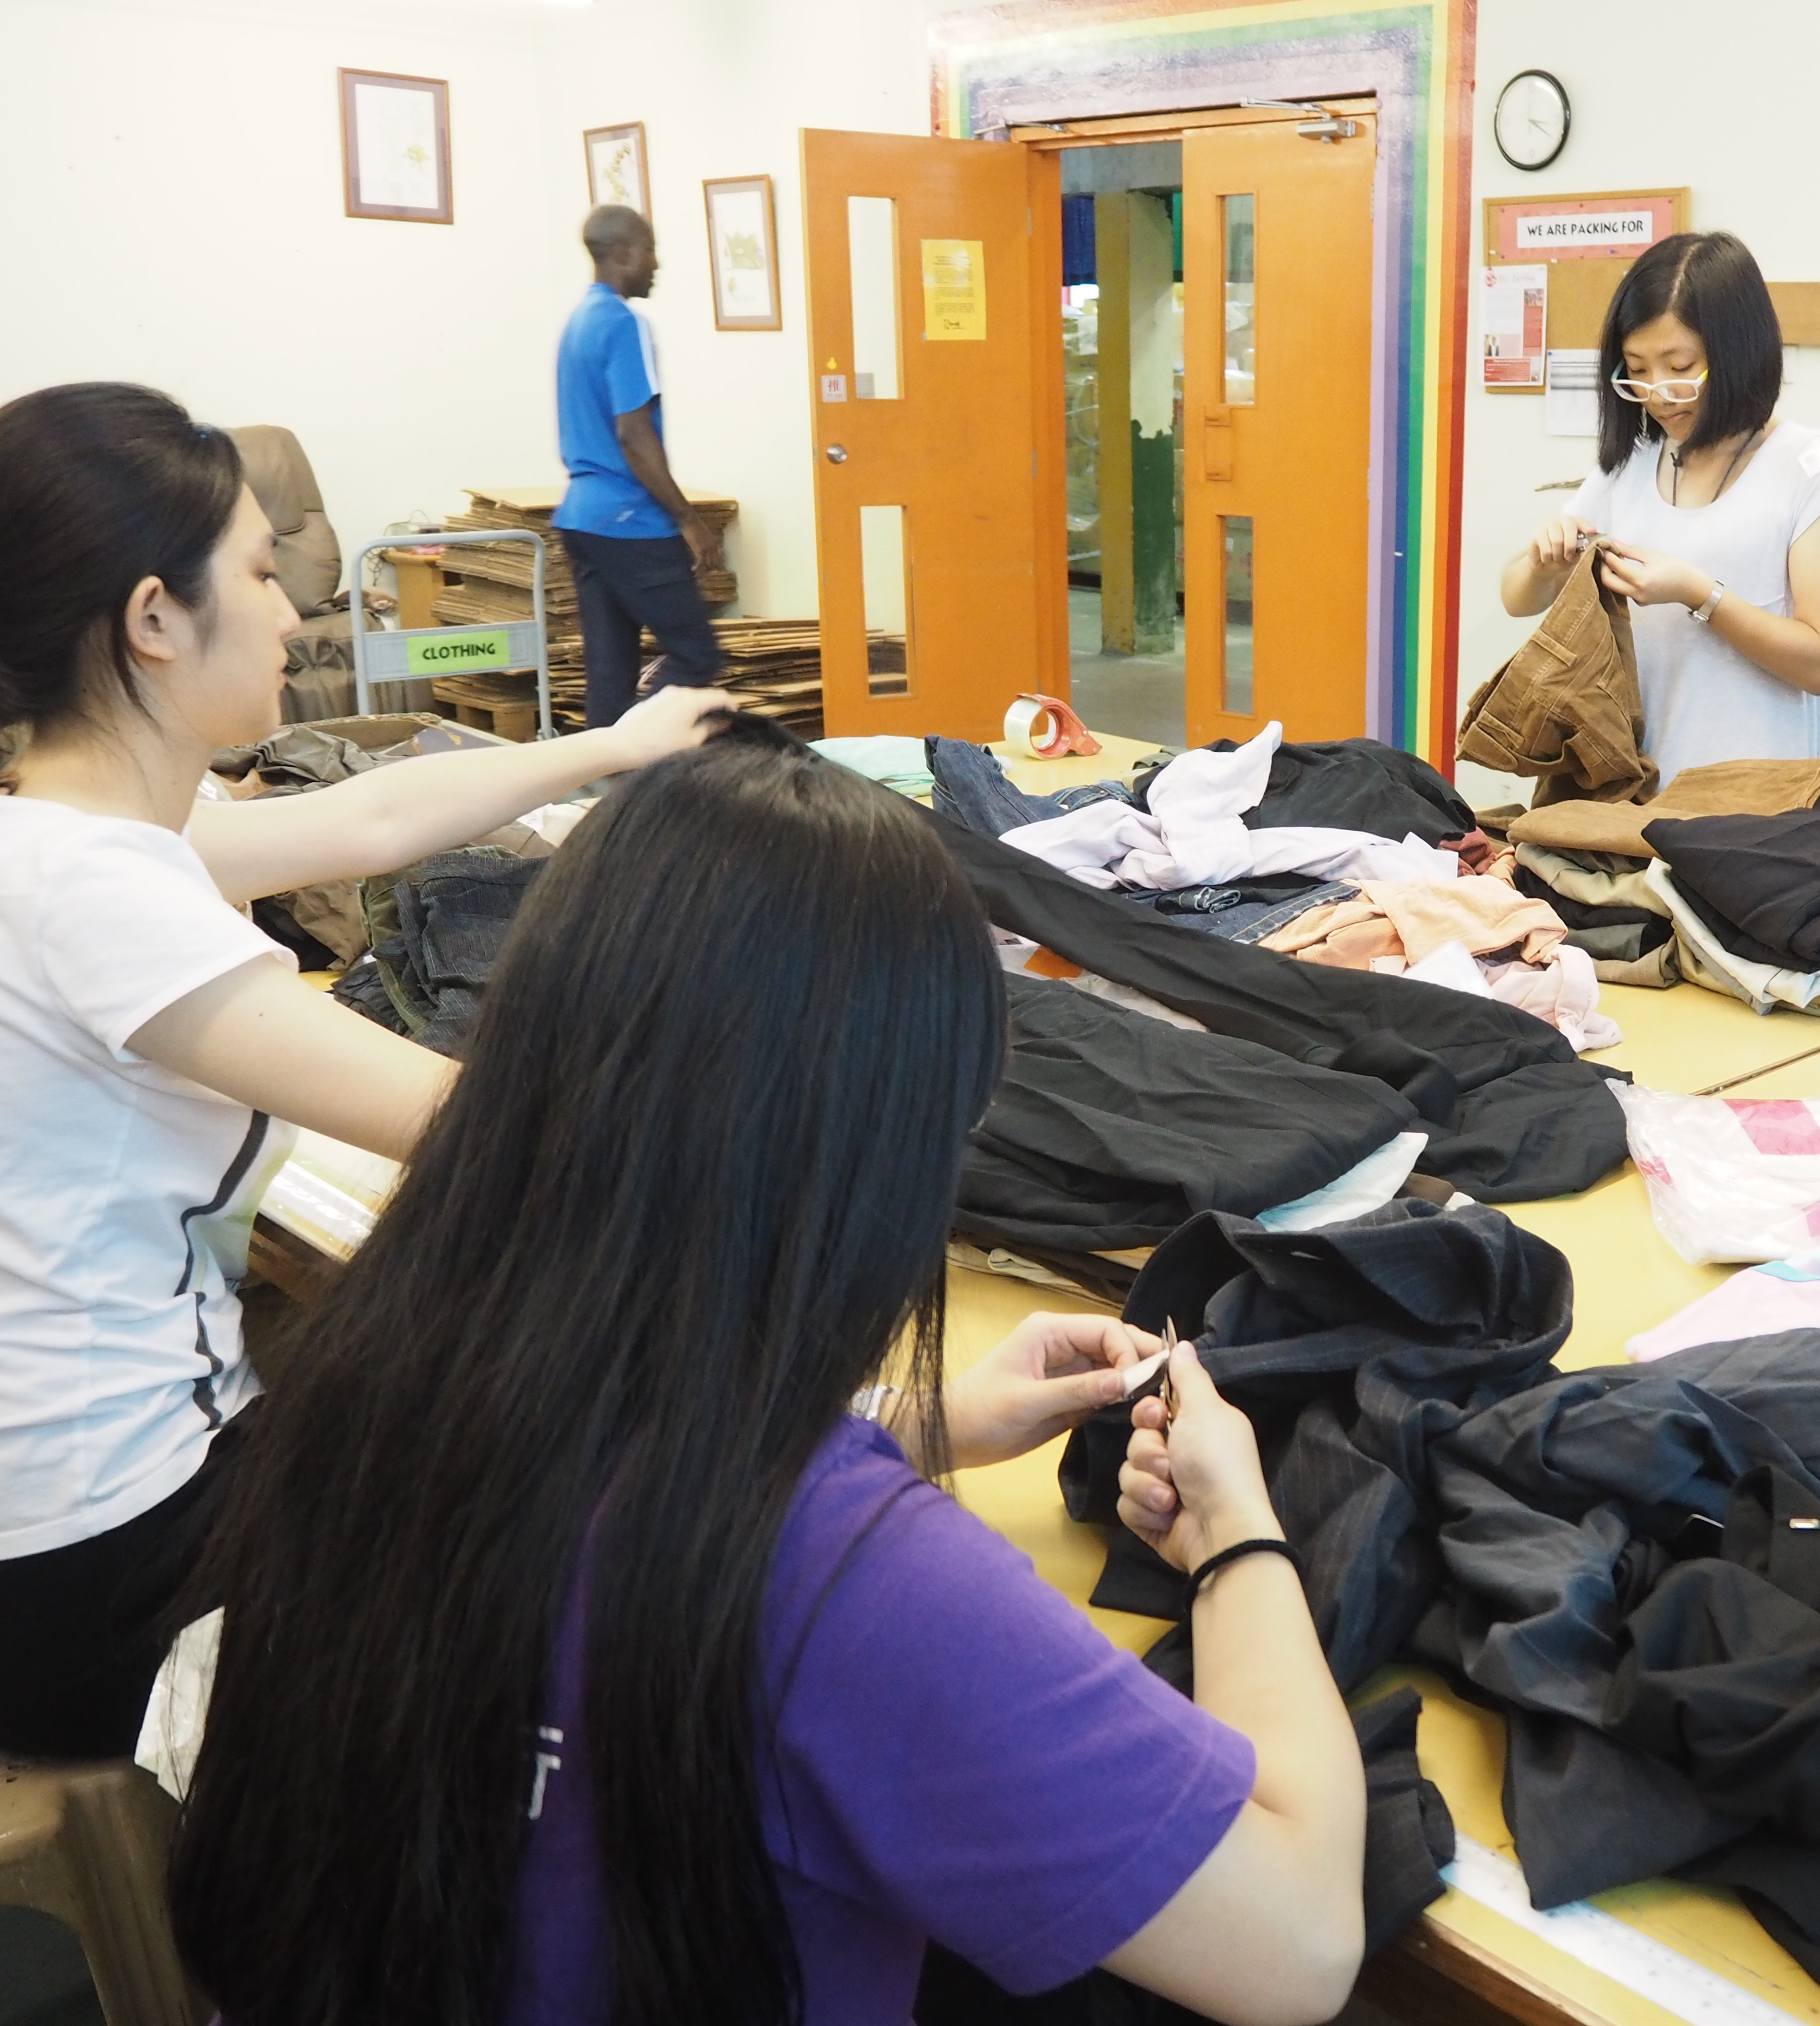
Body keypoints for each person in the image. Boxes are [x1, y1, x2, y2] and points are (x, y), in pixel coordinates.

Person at [166, 720, 1367, 2026]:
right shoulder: (854, 1586)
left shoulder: (361, 1388)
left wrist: (928, 1424)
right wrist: (1238, 1529)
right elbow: (1299, 1946)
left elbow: (621, 1489)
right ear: (868, 1150)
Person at [0, 382, 729, 1759]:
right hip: (104, 1573)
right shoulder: (91, 887)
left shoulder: (60, 835)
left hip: (60, 1521)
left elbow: (373, 812)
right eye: (262, 574)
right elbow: (468, 1124)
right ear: (154, 618)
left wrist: (621, 745)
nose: (291, 615)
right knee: (606, 1513)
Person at [1500, 232, 1820, 779]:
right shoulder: (1629, 464)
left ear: (1739, 353)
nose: (1657, 392)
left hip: (1749, 807)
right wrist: (1541, 562)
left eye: (1679, 367)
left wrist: (1699, 594)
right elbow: (1516, 598)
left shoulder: (1815, 472)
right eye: (1638, 369)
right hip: (1625, 796)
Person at [556, 205, 727, 729]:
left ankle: (607, 789)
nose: (657, 264)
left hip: (582, 521)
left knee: (610, 676)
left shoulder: (580, 320)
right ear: (625, 252)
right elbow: (634, 434)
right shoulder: (623, 324)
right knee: (697, 654)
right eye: (650, 250)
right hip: (630, 521)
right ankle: (646, 749)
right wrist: (688, 520)